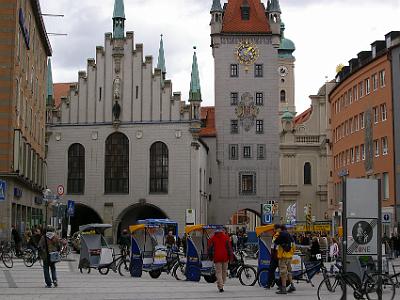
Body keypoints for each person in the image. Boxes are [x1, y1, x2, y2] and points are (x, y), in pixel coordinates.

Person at [208, 228, 233, 293]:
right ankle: (222, 284)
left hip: (217, 257)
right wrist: (231, 257)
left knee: (218, 272)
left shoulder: (212, 238)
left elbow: (210, 249)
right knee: (224, 272)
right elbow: (229, 248)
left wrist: (210, 257)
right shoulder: (226, 237)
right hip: (225, 257)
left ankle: (220, 286)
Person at [274, 225, 296, 294]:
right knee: (289, 271)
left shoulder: (281, 234)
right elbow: (293, 245)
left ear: (280, 229)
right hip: (289, 256)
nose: (275, 231)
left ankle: (283, 289)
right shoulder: (289, 235)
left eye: (276, 229)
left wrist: (277, 234)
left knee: (283, 273)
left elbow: (276, 242)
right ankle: (292, 285)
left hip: (283, 256)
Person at [265, 224, 281, 289]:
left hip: (276, 256)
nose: (273, 230)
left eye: (274, 229)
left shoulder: (277, 235)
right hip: (276, 256)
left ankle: (270, 284)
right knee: (278, 271)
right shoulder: (275, 235)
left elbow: (275, 245)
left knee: (271, 270)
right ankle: (277, 284)